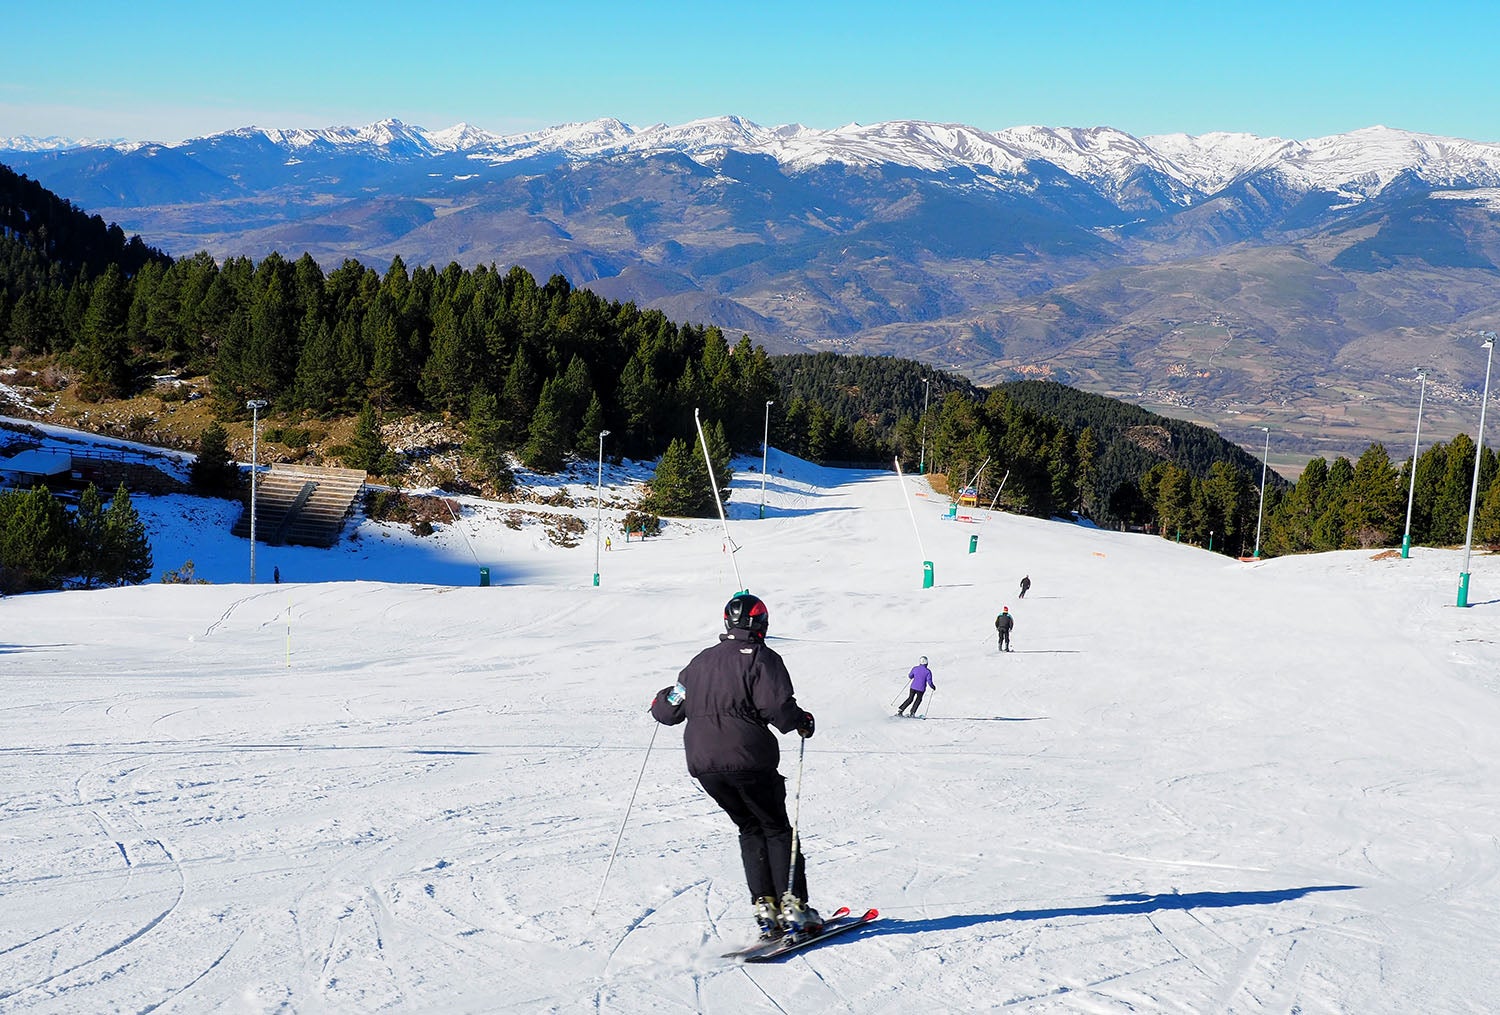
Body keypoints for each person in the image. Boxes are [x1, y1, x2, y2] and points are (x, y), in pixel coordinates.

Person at [651, 592, 822, 940]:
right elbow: (777, 707)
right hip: (748, 758)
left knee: (750, 827)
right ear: (762, 624)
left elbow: (668, 711)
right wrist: (802, 720)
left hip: (704, 764)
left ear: (727, 622)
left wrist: (660, 696)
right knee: (776, 828)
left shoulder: (699, 662)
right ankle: (794, 907)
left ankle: (766, 906)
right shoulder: (762, 657)